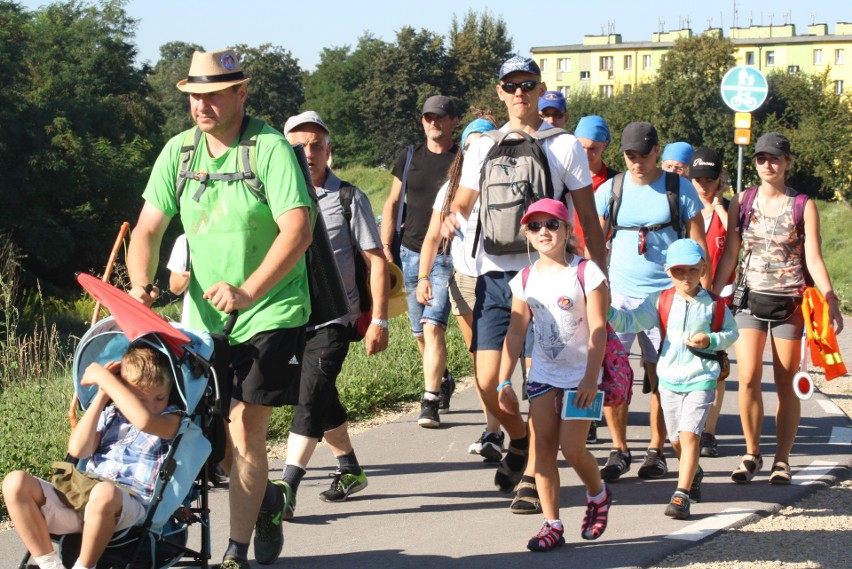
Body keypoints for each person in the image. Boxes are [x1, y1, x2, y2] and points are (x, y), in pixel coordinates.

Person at [126, 49, 313, 569]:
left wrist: (249, 290)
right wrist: (141, 285)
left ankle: (235, 551)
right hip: (205, 323)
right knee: (216, 440)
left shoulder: (270, 149)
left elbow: (298, 230)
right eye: (193, 96)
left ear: (241, 93)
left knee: (246, 426)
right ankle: (267, 499)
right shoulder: (180, 153)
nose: (201, 106)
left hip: (271, 309)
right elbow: (146, 229)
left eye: (213, 95)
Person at [441, 55, 607, 496]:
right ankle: (519, 441)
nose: (520, 92)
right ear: (499, 92)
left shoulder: (565, 145)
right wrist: (451, 217)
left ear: (539, 89)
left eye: (527, 84)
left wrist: (600, 277)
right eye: (511, 85)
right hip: (495, 278)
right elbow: (463, 201)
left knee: (540, 388)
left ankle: (532, 478)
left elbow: (587, 217)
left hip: (548, 279)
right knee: (488, 383)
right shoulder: (483, 145)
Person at [253, 111, 389, 524]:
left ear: (329, 151)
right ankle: (349, 468)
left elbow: (376, 261)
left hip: (334, 318)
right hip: (285, 317)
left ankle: (287, 488)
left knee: (310, 394)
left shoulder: (349, 197)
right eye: (299, 146)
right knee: (320, 393)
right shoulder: (268, 197)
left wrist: (379, 319)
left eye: (316, 145)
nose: (308, 153)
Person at [713, 132, 843, 485]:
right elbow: (731, 253)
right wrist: (710, 295)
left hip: (790, 303)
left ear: (787, 163)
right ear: (754, 163)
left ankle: (782, 460)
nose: (767, 164)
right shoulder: (743, 200)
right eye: (761, 158)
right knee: (748, 376)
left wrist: (830, 297)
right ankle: (751, 453)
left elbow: (814, 257)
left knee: (785, 381)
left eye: (774, 158)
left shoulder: (803, 204)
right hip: (749, 298)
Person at [594, 121, 709, 483]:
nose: (637, 163)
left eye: (643, 155)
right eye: (630, 156)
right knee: (613, 373)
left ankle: (656, 449)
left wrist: (699, 298)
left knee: (663, 376)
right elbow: (595, 246)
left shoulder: (680, 188)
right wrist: (595, 290)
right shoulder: (611, 189)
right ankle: (619, 449)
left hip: (668, 296)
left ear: (656, 151)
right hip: (620, 295)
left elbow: (698, 245)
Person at [496, 198, 611, 551]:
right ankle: (552, 524)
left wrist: (591, 377)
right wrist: (503, 380)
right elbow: (516, 332)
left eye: (551, 224)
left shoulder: (586, 273)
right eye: (535, 226)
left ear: (567, 230)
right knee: (543, 450)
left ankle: (598, 495)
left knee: (573, 449)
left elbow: (598, 328)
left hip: (581, 377)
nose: (543, 231)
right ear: (526, 234)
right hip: (542, 375)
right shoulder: (524, 279)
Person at [2, 346, 181, 569]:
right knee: (14, 482)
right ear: (122, 392)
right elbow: (77, 450)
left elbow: (145, 421)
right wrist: (103, 394)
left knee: (104, 492)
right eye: (141, 399)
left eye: (159, 397)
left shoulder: (172, 419)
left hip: (128, 505)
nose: (153, 406)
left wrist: (105, 377)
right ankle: (49, 564)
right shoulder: (112, 415)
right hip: (84, 499)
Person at [609, 239, 738, 519]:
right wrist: (606, 311)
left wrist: (711, 339)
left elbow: (731, 332)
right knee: (676, 439)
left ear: (703, 268)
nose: (686, 276)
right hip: (667, 379)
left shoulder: (714, 305)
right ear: (668, 271)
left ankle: (681, 496)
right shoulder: (661, 300)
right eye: (679, 271)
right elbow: (630, 322)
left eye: (692, 269)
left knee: (691, 435)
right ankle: (694, 473)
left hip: (702, 378)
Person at [416, 114, 506, 458]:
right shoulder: (451, 190)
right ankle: (493, 432)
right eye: (471, 146)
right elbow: (431, 238)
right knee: (481, 357)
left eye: (486, 144)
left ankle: (543, 425)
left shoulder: (512, 178)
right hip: (467, 279)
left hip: (509, 274)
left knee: (525, 358)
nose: (478, 152)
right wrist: (424, 278)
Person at [381, 95, 459, 428]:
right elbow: (392, 200)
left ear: (454, 121)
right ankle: (443, 378)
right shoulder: (409, 156)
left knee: (433, 324)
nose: (433, 122)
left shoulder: (463, 160)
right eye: (428, 117)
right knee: (418, 332)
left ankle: (429, 402)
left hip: (445, 254)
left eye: (440, 117)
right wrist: (385, 246)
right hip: (409, 251)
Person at [573, 114, 619, 445]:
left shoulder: (615, 182)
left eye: (593, 149)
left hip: (603, 269)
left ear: (604, 147)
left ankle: (592, 413)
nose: (586, 154)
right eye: (581, 147)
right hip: (567, 267)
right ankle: (574, 410)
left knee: (599, 345)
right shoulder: (562, 177)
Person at [689, 147, 734, 458]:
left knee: (715, 366)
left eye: (709, 179)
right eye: (698, 179)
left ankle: (708, 432)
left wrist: (718, 208)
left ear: (720, 179)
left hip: (720, 295)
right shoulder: (683, 208)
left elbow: (737, 241)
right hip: (687, 295)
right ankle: (685, 427)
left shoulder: (728, 209)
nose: (703, 185)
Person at [166, 234, 191, 324]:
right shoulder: (185, 240)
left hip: (234, 324)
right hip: (195, 327)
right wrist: (191, 274)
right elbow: (175, 288)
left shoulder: (235, 234)